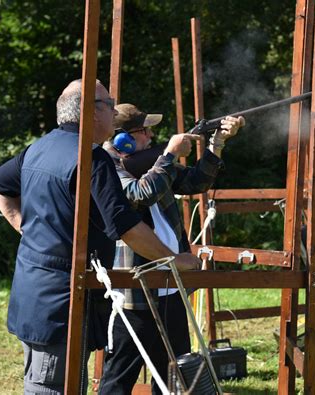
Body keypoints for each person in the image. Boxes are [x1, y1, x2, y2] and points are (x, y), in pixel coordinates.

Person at [0, 80, 200, 395]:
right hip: (62, 299)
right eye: (109, 104)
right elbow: (125, 226)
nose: (114, 112)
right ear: (91, 111)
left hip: (34, 292)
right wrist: (174, 259)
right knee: (55, 386)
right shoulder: (92, 157)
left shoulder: (40, 147)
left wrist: (25, 228)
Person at [98, 103, 244, 394]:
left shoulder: (151, 162)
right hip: (135, 290)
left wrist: (216, 145)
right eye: (145, 130)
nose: (152, 136)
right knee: (119, 378)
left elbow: (196, 181)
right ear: (122, 138)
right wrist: (168, 154)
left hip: (172, 287)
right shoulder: (106, 165)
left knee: (175, 373)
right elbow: (140, 194)